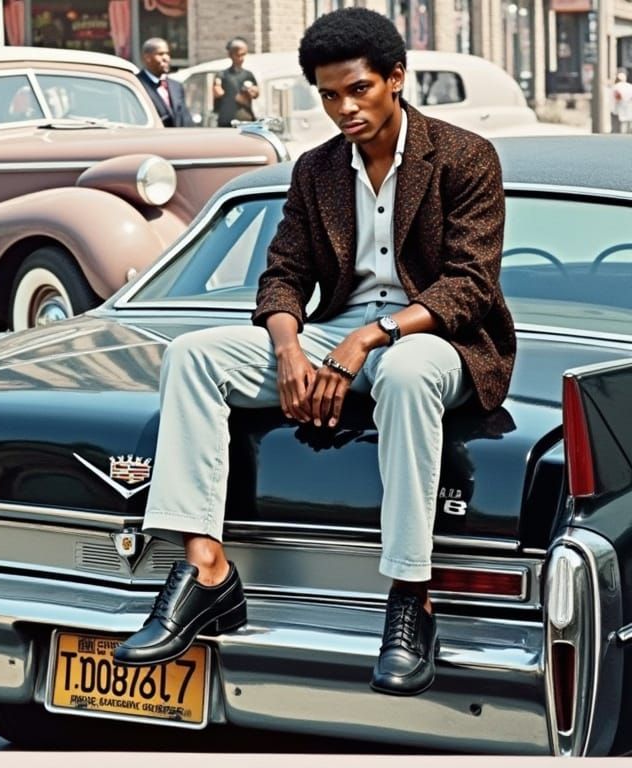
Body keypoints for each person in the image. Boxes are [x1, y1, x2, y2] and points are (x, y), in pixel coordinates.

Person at [114, 7, 515, 698]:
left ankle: (410, 598)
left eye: (358, 90)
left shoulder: (464, 155)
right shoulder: (317, 169)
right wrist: (289, 347)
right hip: (336, 331)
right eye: (330, 96)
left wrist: (368, 338)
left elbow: (469, 285)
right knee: (194, 356)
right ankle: (207, 570)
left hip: (437, 338)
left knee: (408, 374)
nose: (345, 109)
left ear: (395, 78)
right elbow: (284, 275)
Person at [136, 38, 193, 127]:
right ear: (147, 58)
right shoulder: (138, 84)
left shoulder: (176, 86)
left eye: (168, 54)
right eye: (160, 54)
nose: (166, 58)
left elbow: (185, 118)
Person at [212, 37, 259, 126]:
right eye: (238, 55)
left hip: (245, 119)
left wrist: (251, 92)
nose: (241, 58)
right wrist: (218, 89)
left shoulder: (248, 75)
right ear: (231, 55)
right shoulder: (222, 75)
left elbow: (256, 93)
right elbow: (217, 92)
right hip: (226, 120)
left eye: (243, 55)